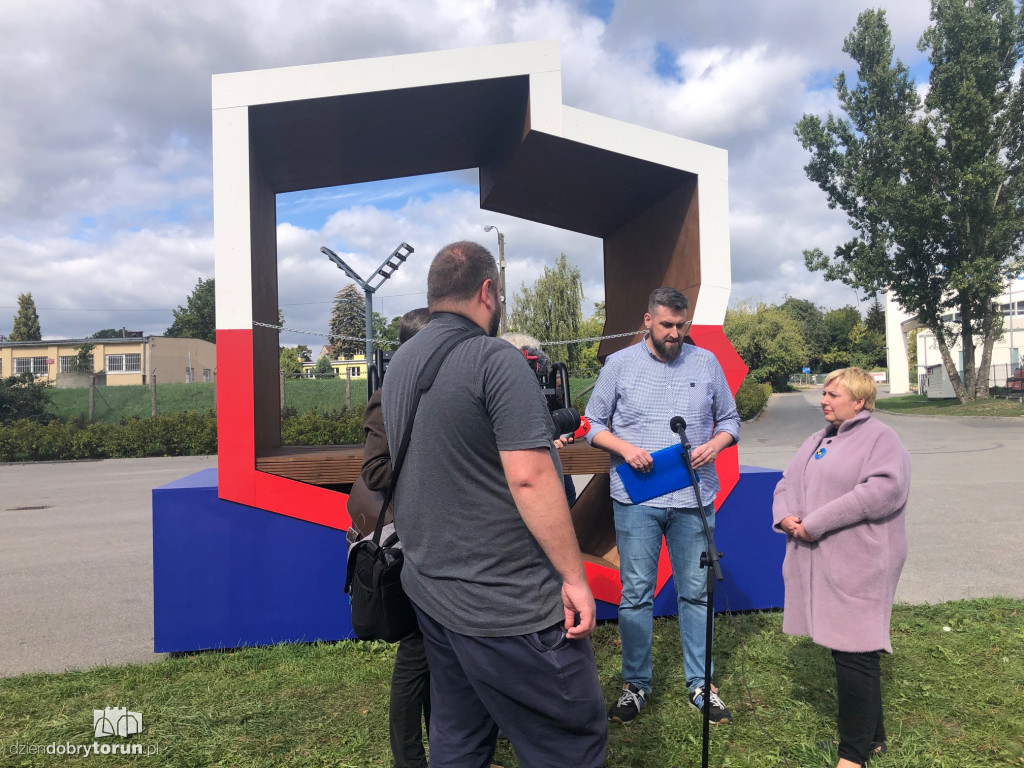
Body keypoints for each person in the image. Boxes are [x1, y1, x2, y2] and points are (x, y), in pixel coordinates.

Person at [381, 241, 606, 768]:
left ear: (434, 295)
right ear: (488, 292)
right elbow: (529, 480)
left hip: (433, 592)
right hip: (509, 606)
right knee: (569, 740)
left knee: (458, 735)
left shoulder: (402, 362)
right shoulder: (495, 359)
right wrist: (574, 580)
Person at [584, 286, 740, 725]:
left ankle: (701, 684)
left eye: (681, 325)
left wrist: (715, 444)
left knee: (695, 592)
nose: (674, 333)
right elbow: (591, 424)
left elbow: (730, 419)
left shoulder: (706, 363)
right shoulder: (619, 365)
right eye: (666, 325)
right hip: (637, 499)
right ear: (647, 320)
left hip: (694, 496)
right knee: (636, 594)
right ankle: (636, 685)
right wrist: (624, 448)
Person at [772, 367, 910, 768]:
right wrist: (784, 517)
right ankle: (873, 737)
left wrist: (814, 523)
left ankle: (853, 755)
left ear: (860, 401)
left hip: (862, 560)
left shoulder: (881, 438)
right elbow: (786, 482)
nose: (824, 400)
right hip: (823, 557)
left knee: (856, 649)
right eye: (825, 393)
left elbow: (883, 490)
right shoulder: (818, 438)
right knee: (849, 648)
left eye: (833, 394)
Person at [359, 307, 432, 768]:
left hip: (444, 540)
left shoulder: (437, 393)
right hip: (409, 545)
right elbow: (374, 470)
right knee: (417, 654)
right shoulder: (388, 399)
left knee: (435, 657)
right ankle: (409, 759)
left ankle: (445, 749)